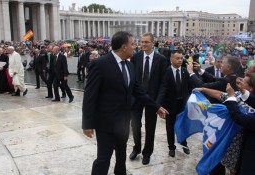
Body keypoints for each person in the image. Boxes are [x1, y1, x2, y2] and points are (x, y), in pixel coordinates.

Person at [82, 31, 169, 175]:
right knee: (103, 159)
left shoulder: (129, 66)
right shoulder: (100, 64)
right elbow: (90, 96)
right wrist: (87, 123)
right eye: (133, 44)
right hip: (105, 123)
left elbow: (138, 91)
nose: (136, 47)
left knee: (121, 157)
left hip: (123, 123)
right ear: (123, 47)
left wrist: (157, 106)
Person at [187, 55, 241, 175]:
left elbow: (201, 85)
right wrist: (201, 70)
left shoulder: (226, 81)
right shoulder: (234, 78)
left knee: (215, 149)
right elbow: (214, 78)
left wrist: (191, 72)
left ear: (228, 67)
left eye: (223, 63)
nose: (220, 65)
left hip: (220, 123)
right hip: (231, 123)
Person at [129, 32, 168, 165]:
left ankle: (147, 153)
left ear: (153, 43)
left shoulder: (161, 59)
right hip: (137, 98)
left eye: (146, 42)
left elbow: (163, 83)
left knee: (150, 127)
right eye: (142, 42)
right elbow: (132, 79)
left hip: (153, 100)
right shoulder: (135, 57)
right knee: (135, 125)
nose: (143, 44)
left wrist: (158, 103)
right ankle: (137, 148)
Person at [161, 50, 192, 157]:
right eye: (177, 58)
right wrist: (158, 105)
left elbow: (189, 88)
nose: (180, 60)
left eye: (181, 58)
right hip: (170, 105)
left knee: (183, 126)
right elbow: (163, 89)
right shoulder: (166, 72)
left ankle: (184, 144)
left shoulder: (185, 71)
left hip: (183, 105)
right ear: (171, 59)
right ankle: (171, 147)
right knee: (170, 127)